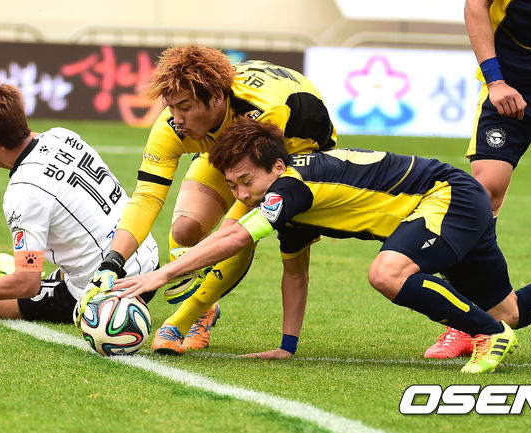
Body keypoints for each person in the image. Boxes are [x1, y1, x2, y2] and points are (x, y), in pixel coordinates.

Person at [113, 117, 531, 373]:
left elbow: (234, 235)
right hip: (452, 201)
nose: (241, 195)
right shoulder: (290, 205)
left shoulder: (290, 186)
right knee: (509, 308)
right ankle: (497, 324)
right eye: (232, 185)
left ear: (276, 167)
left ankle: (489, 335)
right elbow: (295, 272)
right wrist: (287, 346)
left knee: (387, 273)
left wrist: (162, 274)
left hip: (445, 196)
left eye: (246, 181)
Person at [76, 45, 336, 355]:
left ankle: (181, 321)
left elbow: (237, 229)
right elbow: (147, 196)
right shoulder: (171, 126)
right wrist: (111, 263)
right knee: (185, 228)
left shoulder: (264, 113)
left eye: (185, 107)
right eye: (171, 106)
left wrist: (177, 271)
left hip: (294, 150)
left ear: (216, 97)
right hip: (233, 143)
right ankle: (205, 307)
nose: (176, 118)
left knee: (239, 235)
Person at [0, 80, 159, 323]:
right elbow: (16, 131)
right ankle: (43, 274)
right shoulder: (62, 136)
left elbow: (28, 284)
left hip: (111, 287)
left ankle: (42, 279)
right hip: (146, 261)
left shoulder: (23, 193)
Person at [424, 0, 531, 359]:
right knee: (485, 191)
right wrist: (495, 81)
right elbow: (476, 6)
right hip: (511, 79)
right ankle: (465, 322)